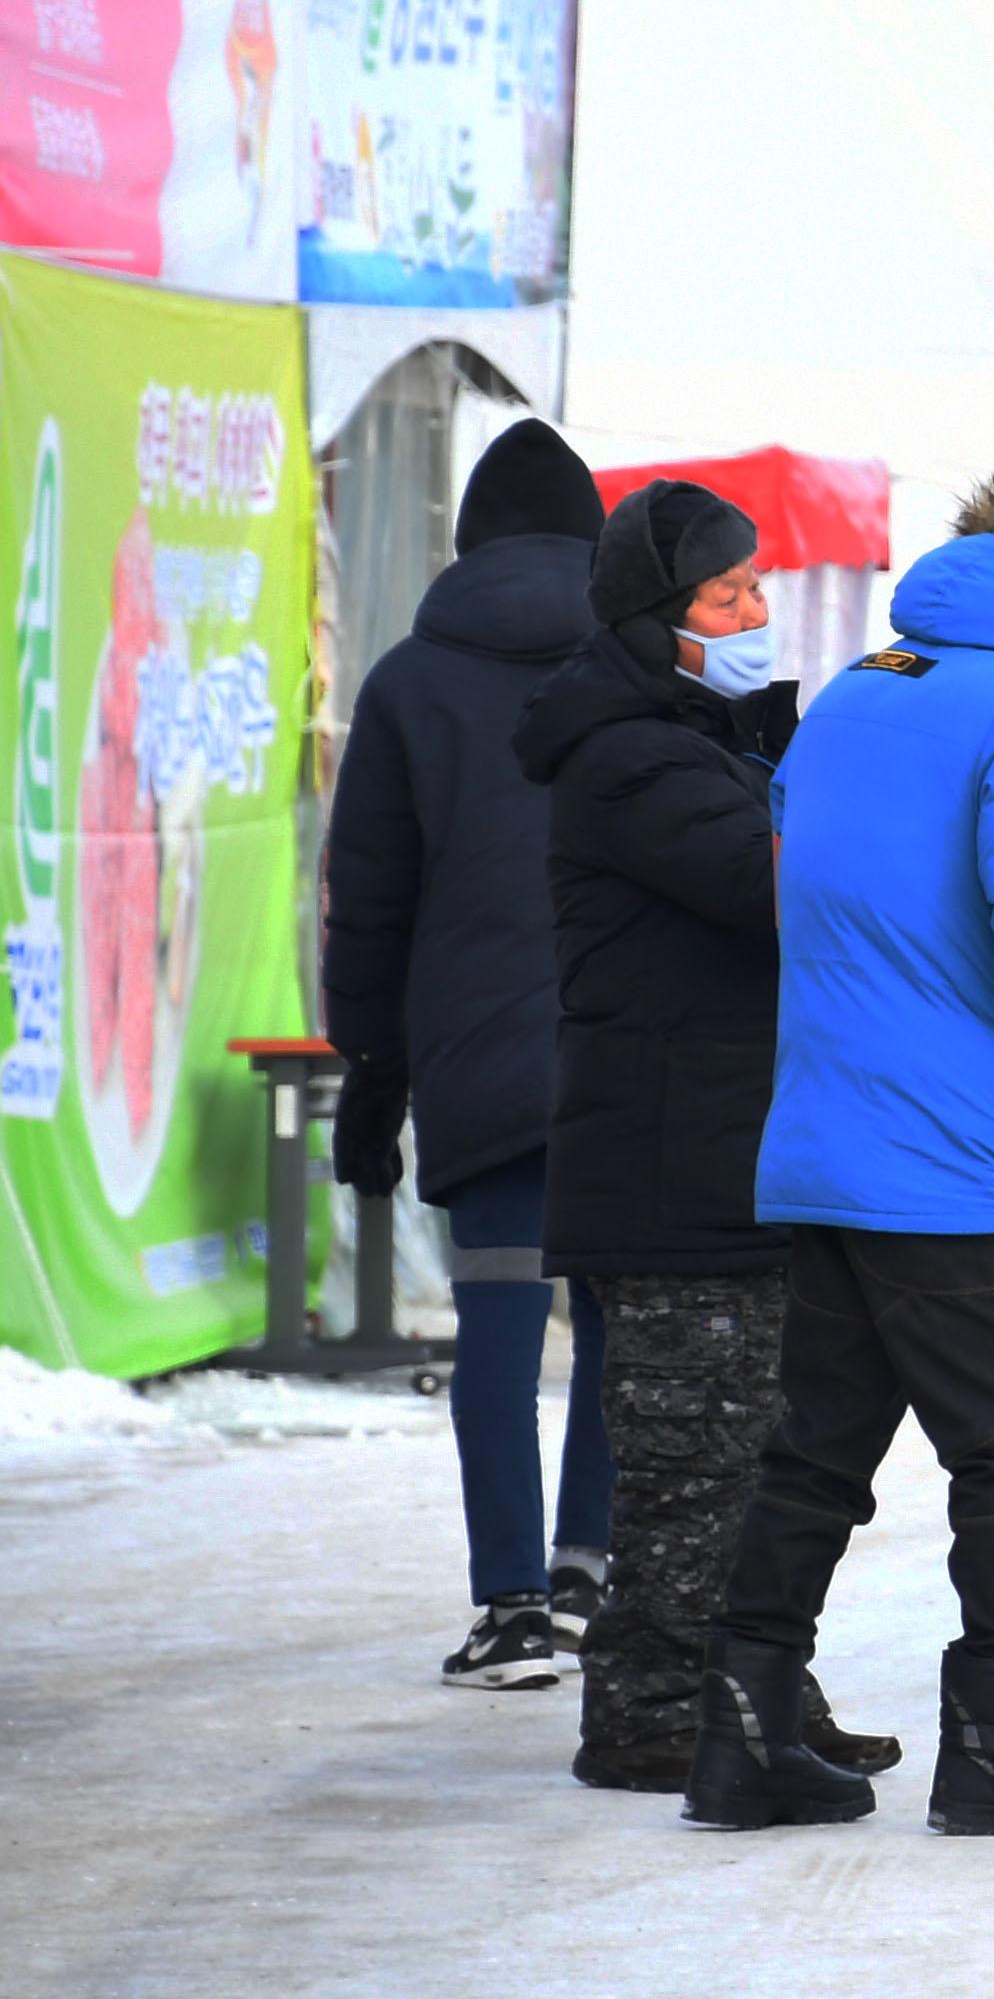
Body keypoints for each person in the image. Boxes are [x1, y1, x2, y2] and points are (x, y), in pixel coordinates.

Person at [692, 474, 994, 1837]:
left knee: (815, 1454)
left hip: (827, 1148)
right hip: (950, 1165)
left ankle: (745, 1731)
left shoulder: (851, 696)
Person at [514, 480, 892, 1794]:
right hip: (675, 1158)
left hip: (724, 1145)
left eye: (755, 587)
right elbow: (764, 887)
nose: (755, 611)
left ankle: (753, 1684)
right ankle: (652, 1710)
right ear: (653, 619)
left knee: (751, 1447)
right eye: (727, 594)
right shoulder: (633, 757)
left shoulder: (695, 738)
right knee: (692, 1460)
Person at [321, 419, 616, 1692]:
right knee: (614, 1323)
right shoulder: (648, 667)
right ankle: (592, 1570)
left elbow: (368, 908)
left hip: (480, 1067)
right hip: (625, 1059)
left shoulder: (403, 682)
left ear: (469, 542)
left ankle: (509, 1611)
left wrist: (372, 1086)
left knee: (497, 1330)